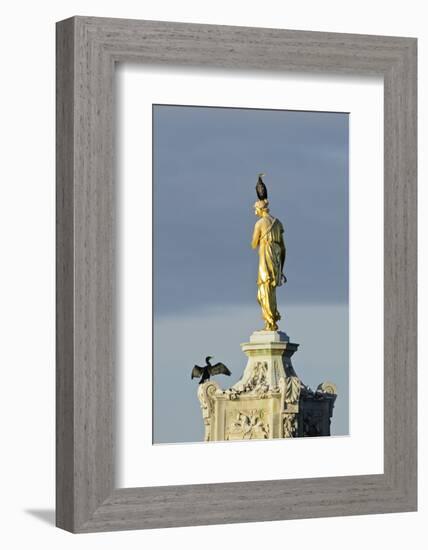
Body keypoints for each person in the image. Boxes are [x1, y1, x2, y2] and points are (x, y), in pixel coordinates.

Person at [251, 198, 286, 331]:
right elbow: (283, 248)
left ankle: (269, 321)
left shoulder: (260, 223)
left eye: (255, 209)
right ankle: (272, 319)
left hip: (266, 256)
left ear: (260, 209)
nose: (255, 212)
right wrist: (282, 269)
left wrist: (261, 238)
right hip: (276, 258)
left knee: (264, 289)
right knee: (271, 289)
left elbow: (253, 244)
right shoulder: (278, 223)